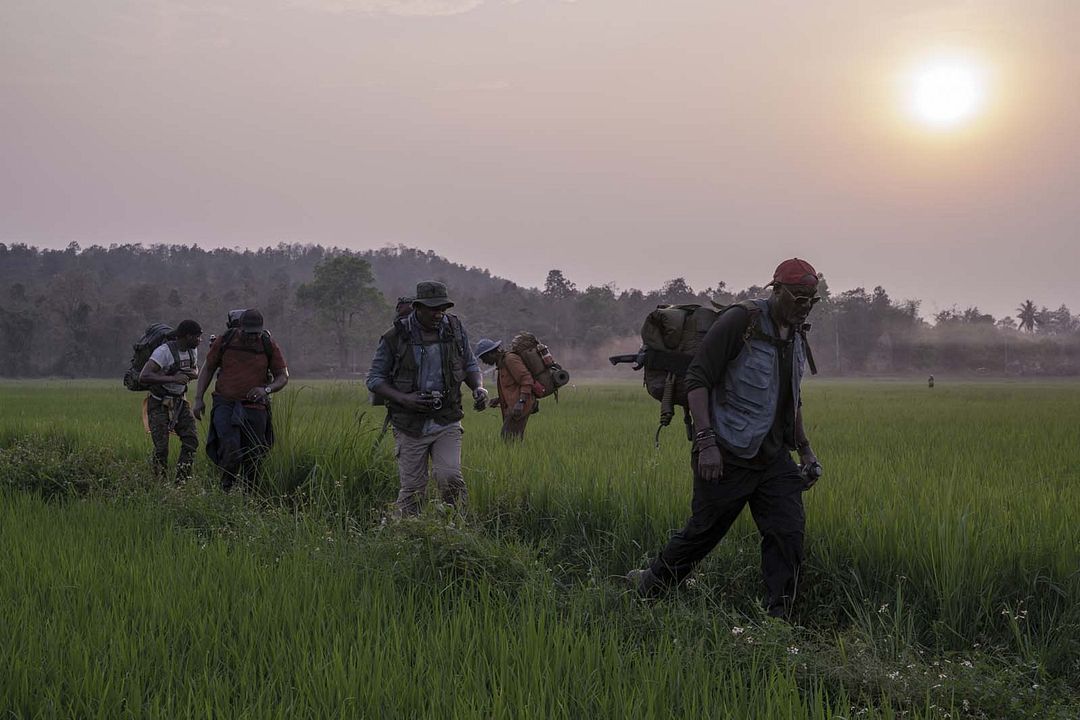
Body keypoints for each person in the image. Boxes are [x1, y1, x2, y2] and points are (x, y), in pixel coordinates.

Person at [627, 258, 823, 619]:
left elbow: (791, 396)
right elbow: (699, 379)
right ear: (776, 290)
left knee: (788, 536)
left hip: (774, 458)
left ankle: (779, 623)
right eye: (798, 297)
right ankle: (648, 589)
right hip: (728, 452)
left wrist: (806, 450)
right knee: (703, 534)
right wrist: (706, 444)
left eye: (811, 299)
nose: (805, 305)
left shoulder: (796, 332)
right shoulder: (741, 321)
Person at [366, 281, 489, 515]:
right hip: (409, 424)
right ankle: (406, 537)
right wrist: (404, 399)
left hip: (447, 418)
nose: (438, 314)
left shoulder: (454, 328)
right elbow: (374, 379)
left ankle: (458, 530)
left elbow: (470, 364)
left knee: (450, 476)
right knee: (413, 489)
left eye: (442, 308)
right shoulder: (394, 337)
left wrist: (478, 388)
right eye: (433, 309)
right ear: (417, 307)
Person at [192, 309, 289, 492]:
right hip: (225, 404)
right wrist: (198, 399)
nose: (251, 337)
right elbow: (208, 369)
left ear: (261, 330)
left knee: (254, 454)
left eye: (255, 334)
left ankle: (249, 494)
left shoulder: (268, 344)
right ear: (240, 328)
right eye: (247, 333)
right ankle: (226, 489)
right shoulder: (225, 341)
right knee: (230, 447)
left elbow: (282, 376)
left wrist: (265, 390)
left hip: (255, 407)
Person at [138, 319, 203, 485]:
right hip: (159, 403)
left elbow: (195, 369)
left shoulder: (192, 350)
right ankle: (159, 485)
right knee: (161, 449)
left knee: (191, 441)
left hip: (180, 402)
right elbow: (144, 376)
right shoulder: (163, 352)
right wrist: (173, 378)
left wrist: (192, 374)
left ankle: (181, 484)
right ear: (187, 336)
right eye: (197, 337)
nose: (199, 340)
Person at [476, 338, 537, 441]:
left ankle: (516, 457)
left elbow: (527, 380)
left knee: (508, 438)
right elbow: (512, 387)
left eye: (483, 358)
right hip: (514, 406)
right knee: (512, 439)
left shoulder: (510, 360)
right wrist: (499, 399)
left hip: (520, 406)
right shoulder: (502, 364)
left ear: (491, 353)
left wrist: (521, 402)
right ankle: (516, 456)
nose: (483, 361)